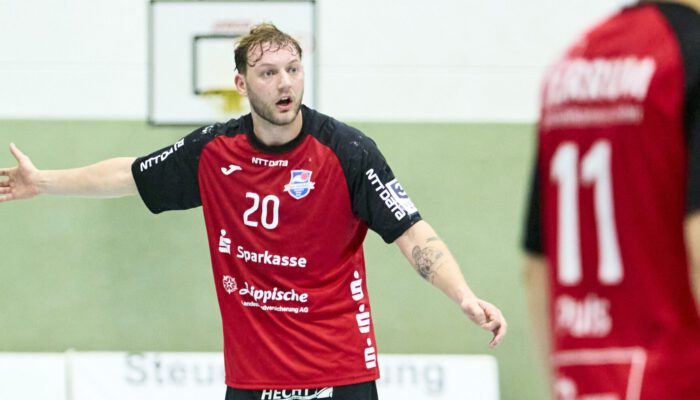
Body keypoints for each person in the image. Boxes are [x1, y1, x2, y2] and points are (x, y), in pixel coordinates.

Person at [0, 23, 506, 400]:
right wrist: (42, 181)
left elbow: (412, 233)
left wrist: (462, 294)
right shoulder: (214, 151)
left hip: (340, 371)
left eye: (293, 69)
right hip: (253, 377)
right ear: (241, 83)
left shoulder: (348, 151)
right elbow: (131, 175)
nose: (284, 83)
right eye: (268, 73)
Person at [522, 1, 700, 399]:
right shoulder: (688, 56)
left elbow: (536, 264)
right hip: (677, 377)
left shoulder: (569, 64)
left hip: (582, 383)